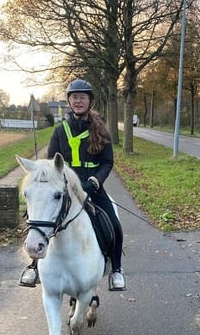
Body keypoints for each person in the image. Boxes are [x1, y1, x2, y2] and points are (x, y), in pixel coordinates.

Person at [19, 78, 126, 291]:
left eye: (82, 97)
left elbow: (107, 162)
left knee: (114, 224)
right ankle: (34, 266)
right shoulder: (60, 131)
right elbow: (51, 165)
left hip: (91, 188)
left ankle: (116, 270)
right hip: (64, 191)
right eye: (74, 97)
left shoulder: (101, 131)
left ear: (90, 102)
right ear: (69, 102)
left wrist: (94, 182)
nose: (78, 101)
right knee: (41, 222)